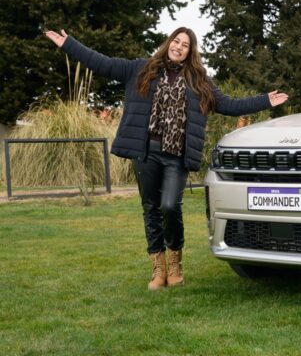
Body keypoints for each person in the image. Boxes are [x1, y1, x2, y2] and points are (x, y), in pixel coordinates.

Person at [45, 27, 288, 290]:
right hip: (146, 152)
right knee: (151, 208)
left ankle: (175, 262)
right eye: (176, 41)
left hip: (177, 156)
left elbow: (229, 105)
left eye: (185, 45)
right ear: (169, 43)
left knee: (170, 206)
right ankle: (158, 269)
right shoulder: (141, 69)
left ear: (190, 52)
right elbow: (102, 63)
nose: (179, 47)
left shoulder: (199, 81)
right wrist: (69, 44)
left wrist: (265, 100)